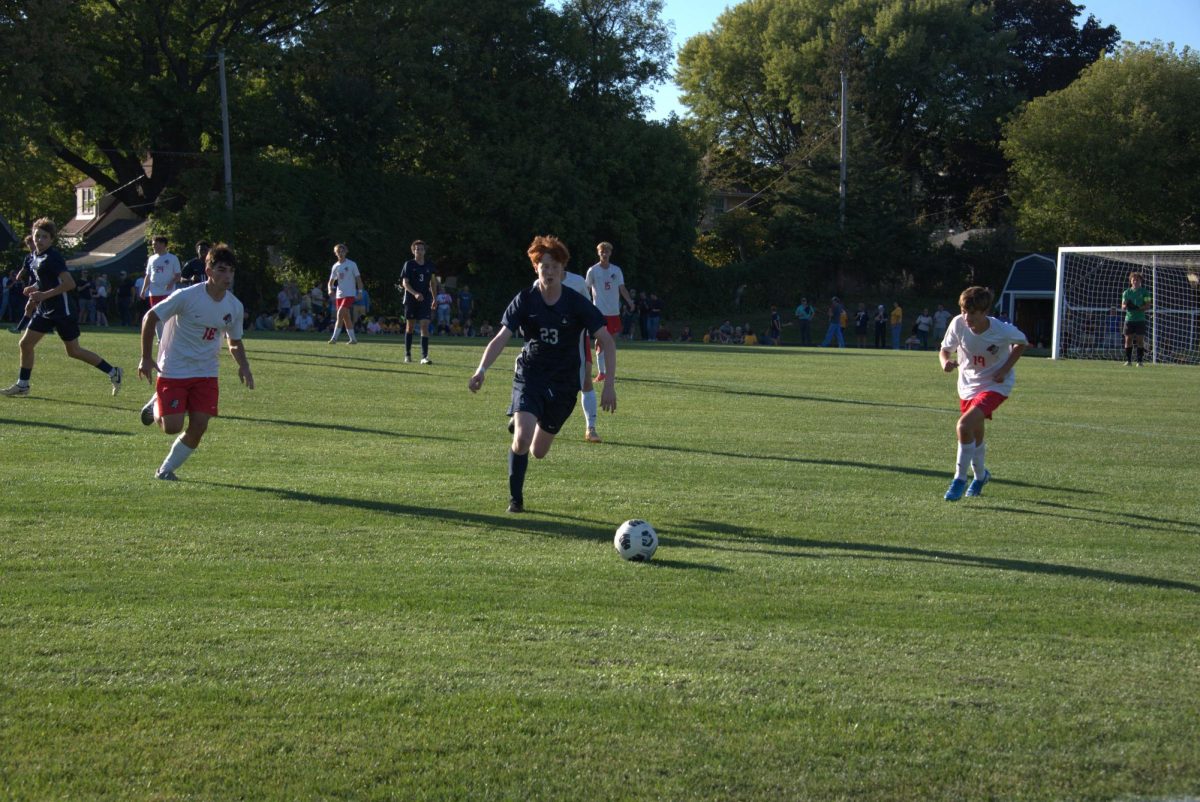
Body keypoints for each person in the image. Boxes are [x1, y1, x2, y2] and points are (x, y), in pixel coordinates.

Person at [468, 235, 616, 513]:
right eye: (542, 266)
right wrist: (481, 370)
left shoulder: (575, 302)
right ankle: (516, 499)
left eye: (553, 266)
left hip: (563, 383)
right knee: (522, 440)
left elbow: (606, 340)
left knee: (538, 451)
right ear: (536, 268)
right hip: (531, 375)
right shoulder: (525, 299)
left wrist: (609, 384)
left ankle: (523, 420)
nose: (548, 271)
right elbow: (501, 337)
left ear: (562, 270)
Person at [137, 242, 254, 480]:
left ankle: (166, 470)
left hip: (206, 372)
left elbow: (234, 341)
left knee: (200, 424)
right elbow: (150, 318)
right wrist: (146, 358)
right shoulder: (186, 296)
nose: (227, 275)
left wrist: (244, 365)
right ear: (209, 272)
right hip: (174, 369)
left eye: (231, 270)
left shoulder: (234, 306)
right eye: (221, 270)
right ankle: (156, 403)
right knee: (172, 427)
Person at [1, 218, 123, 398]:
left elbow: (69, 284)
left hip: (62, 310)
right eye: (37, 236)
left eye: (44, 237)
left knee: (74, 351)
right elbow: (45, 281)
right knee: (25, 344)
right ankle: (23, 385)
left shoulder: (53, 257)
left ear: (51, 239)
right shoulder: (36, 256)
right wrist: (34, 288)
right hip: (45, 309)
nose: (39, 240)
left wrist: (42, 295)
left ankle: (113, 372)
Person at [938, 285, 1029, 501]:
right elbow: (944, 350)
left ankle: (959, 479)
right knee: (975, 434)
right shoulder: (958, 324)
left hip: (995, 385)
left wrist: (1004, 369)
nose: (966, 317)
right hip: (967, 385)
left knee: (963, 425)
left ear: (984, 312)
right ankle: (980, 477)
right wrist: (944, 363)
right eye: (963, 311)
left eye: (972, 313)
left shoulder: (1001, 330)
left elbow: (1022, 343)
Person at [584, 241, 633, 377]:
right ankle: (601, 372)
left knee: (611, 342)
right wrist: (583, 304)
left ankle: (609, 371)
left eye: (607, 252)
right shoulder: (593, 270)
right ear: (598, 253)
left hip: (613, 312)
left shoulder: (616, 270)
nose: (604, 254)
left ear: (610, 253)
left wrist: (629, 301)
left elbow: (622, 288)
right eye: (602, 252)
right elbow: (586, 288)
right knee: (600, 341)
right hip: (599, 312)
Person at [399, 240, 436, 363]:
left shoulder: (429, 265)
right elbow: (405, 283)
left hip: (425, 299)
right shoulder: (409, 264)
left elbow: (432, 282)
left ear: (424, 251)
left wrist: (434, 298)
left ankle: (424, 357)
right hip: (411, 299)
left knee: (424, 325)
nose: (418, 251)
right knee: (409, 327)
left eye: (421, 249)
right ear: (413, 251)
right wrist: (415, 293)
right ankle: (408, 354)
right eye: (416, 249)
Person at [327, 243, 361, 345]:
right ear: (335, 253)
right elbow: (330, 282)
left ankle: (334, 338)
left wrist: (359, 292)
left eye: (342, 251)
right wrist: (330, 290)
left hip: (350, 294)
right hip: (339, 295)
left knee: (340, 313)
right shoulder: (335, 266)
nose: (340, 253)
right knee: (346, 317)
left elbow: (358, 279)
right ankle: (353, 339)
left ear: (346, 252)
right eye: (338, 252)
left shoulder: (352, 264)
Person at [140, 235, 181, 315]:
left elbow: (178, 275)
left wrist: (171, 283)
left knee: (167, 315)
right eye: (152, 244)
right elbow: (148, 276)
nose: (153, 246)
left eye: (155, 244)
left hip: (168, 293)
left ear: (162, 244)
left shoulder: (173, 258)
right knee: (156, 315)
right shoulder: (151, 259)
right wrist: (143, 290)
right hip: (154, 292)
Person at [1121, 271, 1152, 367]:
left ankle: (1139, 361)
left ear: (1140, 281)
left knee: (1140, 340)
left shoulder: (1145, 292)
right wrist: (1126, 306)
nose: (1135, 281)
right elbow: (1123, 306)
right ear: (1130, 281)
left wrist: (1138, 308)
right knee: (1128, 340)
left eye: (1137, 280)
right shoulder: (1126, 292)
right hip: (1129, 319)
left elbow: (1148, 306)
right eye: (1133, 280)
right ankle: (1129, 361)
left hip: (1140, 320)